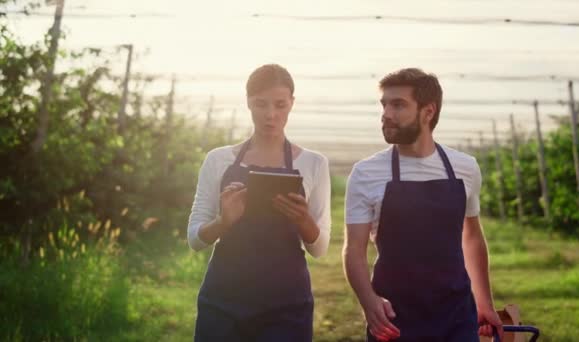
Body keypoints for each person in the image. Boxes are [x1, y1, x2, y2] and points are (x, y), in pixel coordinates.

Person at [342, 68, 503, 341]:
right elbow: (354, 249)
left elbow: (472, 235)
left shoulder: (464, 168)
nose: (386, 114)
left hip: (457, 315)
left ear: (428, 112)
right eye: (384, 105)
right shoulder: (366, 173)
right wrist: (369, 302)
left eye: (398, 105)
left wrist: (484, 302)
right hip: (395, 319)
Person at [187, 64, 331, 341]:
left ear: (292, 104)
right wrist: (223, 221)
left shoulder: (313, 163)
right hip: (223, 299)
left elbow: (320, 248)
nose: (270, 115)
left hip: (287, 304)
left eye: (280, 105)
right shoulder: (218, 160)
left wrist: (304, 221)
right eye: (260, 104)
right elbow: (195, 239)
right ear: (248, 103)